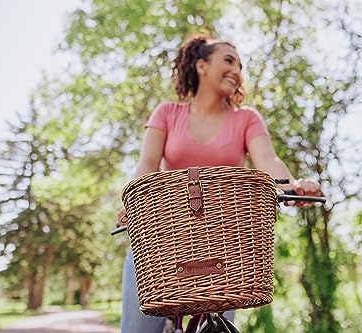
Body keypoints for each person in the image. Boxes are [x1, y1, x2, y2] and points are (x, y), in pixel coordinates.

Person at [117, 34, 321, 333]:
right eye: (228, 60)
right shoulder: (167, 113)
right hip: (163, 238)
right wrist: (131, 204)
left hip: (223, 245)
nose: (237, 70)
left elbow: (269, 164)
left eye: (239, 65)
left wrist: (293, 188)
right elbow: (147, 166)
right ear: (201, 65)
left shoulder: (246, 119)